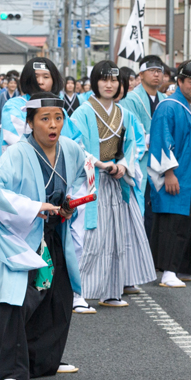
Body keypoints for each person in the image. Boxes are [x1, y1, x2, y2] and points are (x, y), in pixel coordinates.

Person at [0, 93, 89, 380]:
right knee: (14, 299)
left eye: (58, 118)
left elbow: (81, 179)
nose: (53, 125)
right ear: (30, 123)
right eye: (44, 119)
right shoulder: (17, 153)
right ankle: (7, 371)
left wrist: (68, 203)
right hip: (19, 234)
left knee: (57, 297)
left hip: (53, 232)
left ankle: (44, 360)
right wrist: (33, 207)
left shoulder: (70, 149)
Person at [69, 62, 156, 308]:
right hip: (90, 182)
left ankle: (111, 290)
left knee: (117, 236)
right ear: (95, 82)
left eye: (114, 80)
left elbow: (136, 144)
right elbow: (74, 145)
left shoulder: (125, 114)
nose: (109, 85)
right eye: (104, 79)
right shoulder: (82, 113)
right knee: (87, 238)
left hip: (117, 182)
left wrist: (123, 166)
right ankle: (78, 294)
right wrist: (101, 164)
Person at [148, 61, 191, 288]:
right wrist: (168, 173)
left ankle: (188, 267)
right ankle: (168, 270)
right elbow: (160, 139)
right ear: (179, 81)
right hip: (176, 173)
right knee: (173, 222)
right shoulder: (168, 106)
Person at [120, 55, 167, 231]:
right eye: (152, 71)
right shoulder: (131, 99)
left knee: (158, 209)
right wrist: (154, 139)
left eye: (159, 71)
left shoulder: (165, 100)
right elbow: (133, 132)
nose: (157, 75)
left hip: (162, 161)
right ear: (141, 74)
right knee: (140, 208)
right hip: (140, 161)